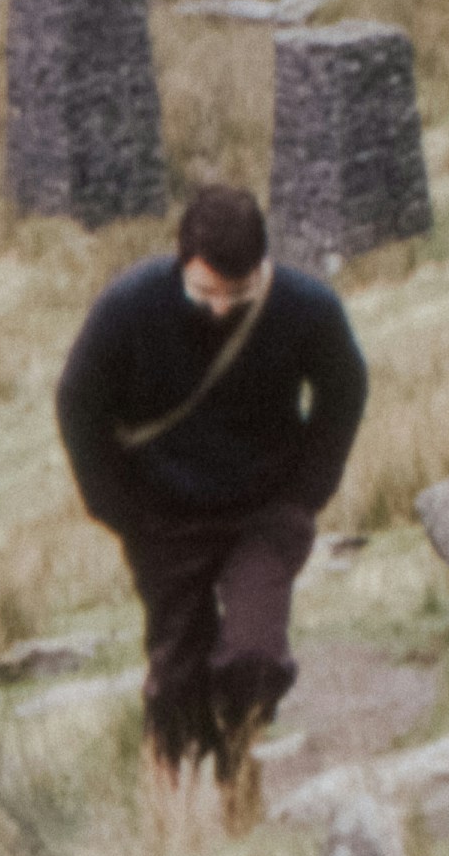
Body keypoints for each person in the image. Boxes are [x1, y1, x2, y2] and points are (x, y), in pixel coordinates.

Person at [53, 185, 369, 819]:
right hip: (163, 518)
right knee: (176, 674)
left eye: (239, 293)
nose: (222, 309)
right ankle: (172, 814)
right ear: (181, 263)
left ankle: (237, 777)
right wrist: (120, 510)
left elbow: (345, 388)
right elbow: (78, 403)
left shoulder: (307, 308)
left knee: (253, 656)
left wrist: (307, 495)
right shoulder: (128, 307)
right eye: (205, 294)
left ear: (264, 266)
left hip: (265, 511)